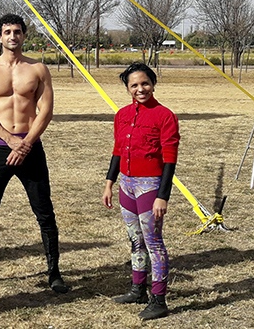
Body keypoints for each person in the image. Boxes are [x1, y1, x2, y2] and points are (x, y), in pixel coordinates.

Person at [0, 13, 68, 294]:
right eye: (8, 32)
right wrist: (9, 139)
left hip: (30, 148)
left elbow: (46, 110)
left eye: (18, 31)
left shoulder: (38, 69)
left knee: (44, 211)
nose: (13, 36)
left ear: (24, 35)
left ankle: (54, 273)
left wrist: (26, 143)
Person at [102, 62, 179, 321]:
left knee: (153, 242)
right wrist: (109, 183)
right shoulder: (122, 115)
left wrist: (162, 196)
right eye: (134, 85)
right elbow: (117, 151)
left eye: (145, 83)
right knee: (135, 240)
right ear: (127, 88)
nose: (140, 89)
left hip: (150, 186)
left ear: (153, 84)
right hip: (127, 184)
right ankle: (138, 289)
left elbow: (170, 160)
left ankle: (159, 299)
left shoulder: (164, 116)